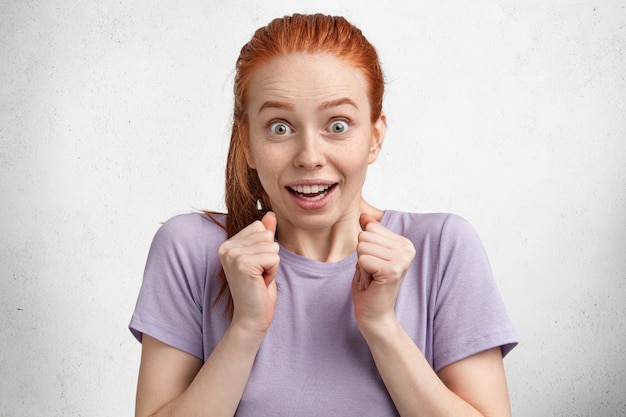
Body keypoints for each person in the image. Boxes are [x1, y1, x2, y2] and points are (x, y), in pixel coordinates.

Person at [129, 13, 517, 417]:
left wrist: (382, 327)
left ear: (375, 137)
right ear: (246, 143)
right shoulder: (191, 250)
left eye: (337, 124)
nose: (310, 157)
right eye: (280, 128)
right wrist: (246, 328)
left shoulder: (442, 248)